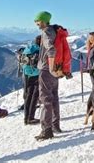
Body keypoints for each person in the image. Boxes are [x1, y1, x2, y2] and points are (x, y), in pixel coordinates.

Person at [34, 11, 61, 141]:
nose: (36, 23)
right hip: (54, 70)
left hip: (46, 70)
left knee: (45, 99)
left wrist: (50, 67)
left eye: (37, 21)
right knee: (54, 97)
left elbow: (51, 49)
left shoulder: (46, 32)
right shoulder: (54, 31)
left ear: (43, 20)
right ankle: (55, 125)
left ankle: (47, 130)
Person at [22, 37, 41, 125]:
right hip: (35, 74)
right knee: (34, 96)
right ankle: (31, 117)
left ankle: (26, 118)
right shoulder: (39, 50)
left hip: (26, 73)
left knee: (28, 96)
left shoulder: (29, 48)